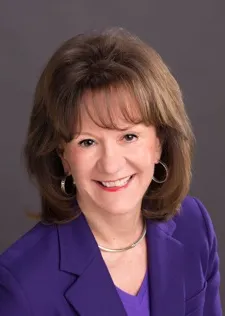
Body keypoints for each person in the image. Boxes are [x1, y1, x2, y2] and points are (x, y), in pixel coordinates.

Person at [0, 27, 222, 316]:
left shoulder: (193, 226)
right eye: (88, 142)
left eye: (128, 136)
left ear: (159, 143)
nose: (111, 164)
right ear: (62, 156)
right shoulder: (23, 284)